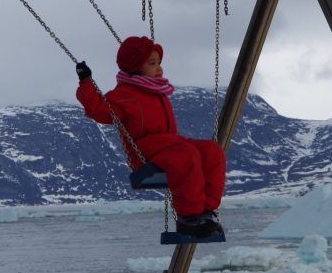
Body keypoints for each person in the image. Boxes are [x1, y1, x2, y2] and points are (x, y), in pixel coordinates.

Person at [76, 36, 225, 239]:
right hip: (145, 150)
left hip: (170, 142)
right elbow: (99, 110)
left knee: (211, 150)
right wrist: (86, 82)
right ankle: (188, 218)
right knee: (186, 155)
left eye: (159, 63)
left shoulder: (157, 90)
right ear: (135, 67)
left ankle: (205, 212)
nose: (159, 69)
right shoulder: (123, 95)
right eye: (152, 64)